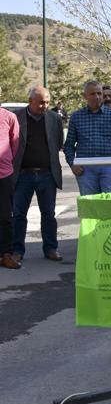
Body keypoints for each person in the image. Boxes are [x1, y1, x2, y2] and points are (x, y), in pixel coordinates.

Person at [12, 86, 65, 262]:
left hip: (47, 175)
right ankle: (17, 251)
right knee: (19, 214)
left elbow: (58, 144)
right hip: (22, 175)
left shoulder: (55, 118)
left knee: (49, 214)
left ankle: (51, 248)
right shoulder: (17, 117)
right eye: (41, 102)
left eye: (48, 102)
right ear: (30, 101)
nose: (45, 106)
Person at [63, 80, 111, 195]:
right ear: (85, 96)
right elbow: (69, 145)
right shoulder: (76, 117)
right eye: (92, 94)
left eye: (99, 93)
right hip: (85, 170)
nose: (97, 97)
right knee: (91, 207)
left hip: (109, 167)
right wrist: (72, 164)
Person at [0, 86, 21, 269]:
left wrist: (4, 161)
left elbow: (14, 146)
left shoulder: (9, 117)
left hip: (4, 175)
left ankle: (5, 255)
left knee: (6, 217)